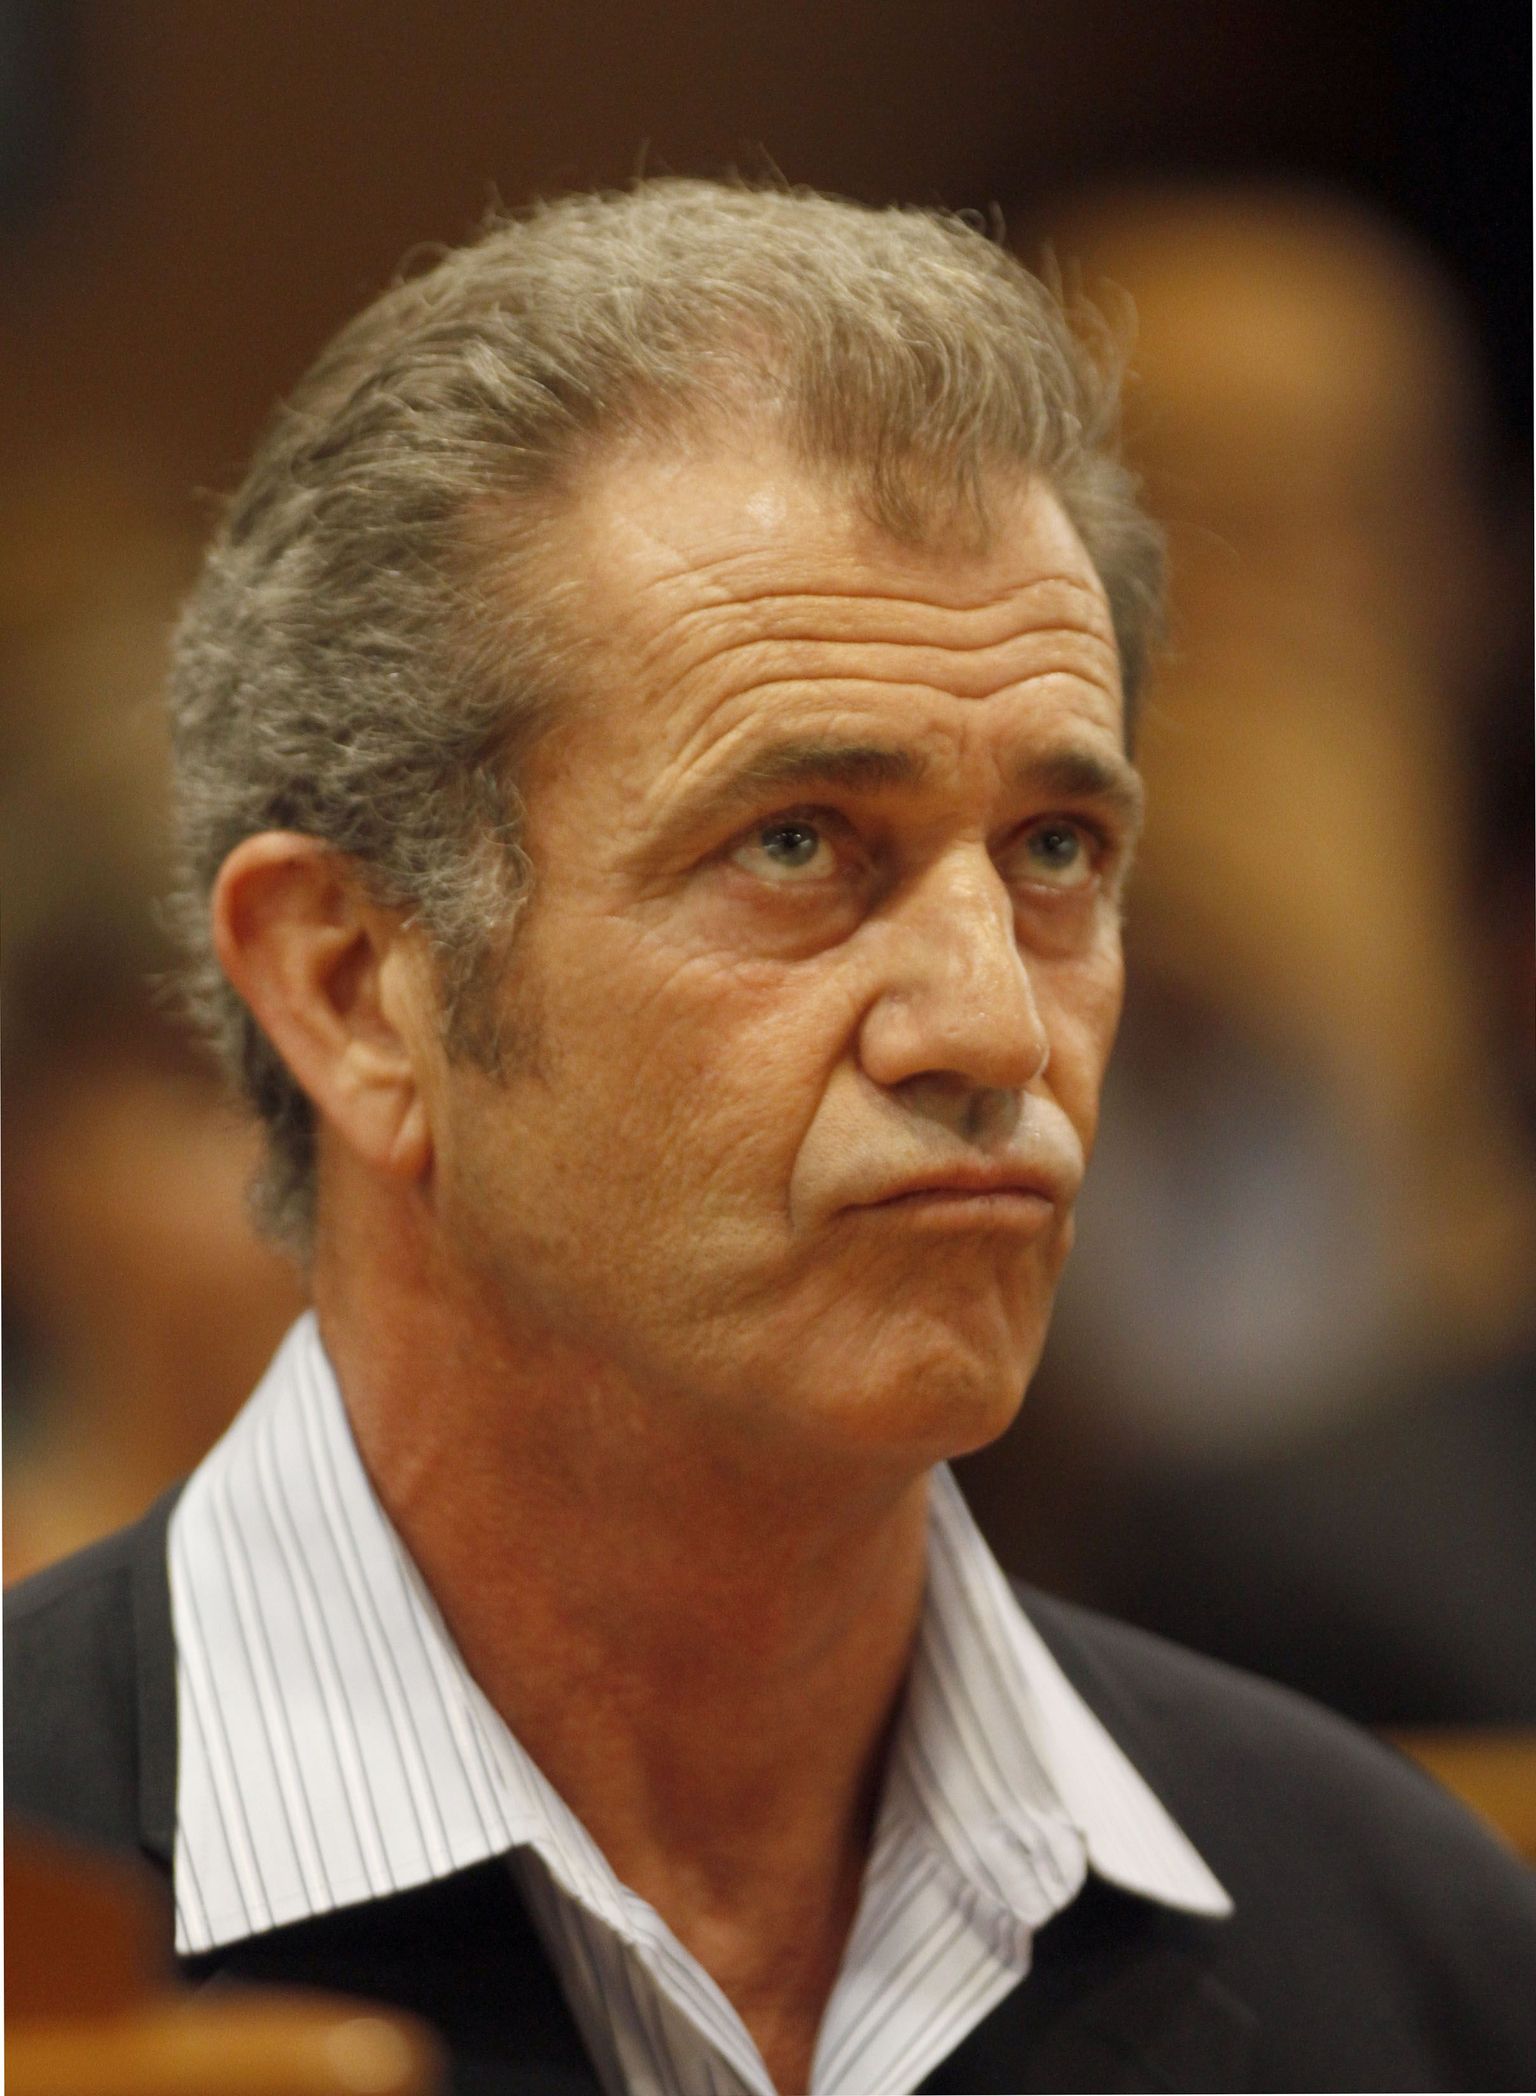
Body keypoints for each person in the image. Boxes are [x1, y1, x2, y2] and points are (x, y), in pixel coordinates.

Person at [7, 179, 1534, 2096]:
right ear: (351, 986)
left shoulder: (1411, 1952)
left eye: (1057, 850)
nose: (994, 1024)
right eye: (799, 844)